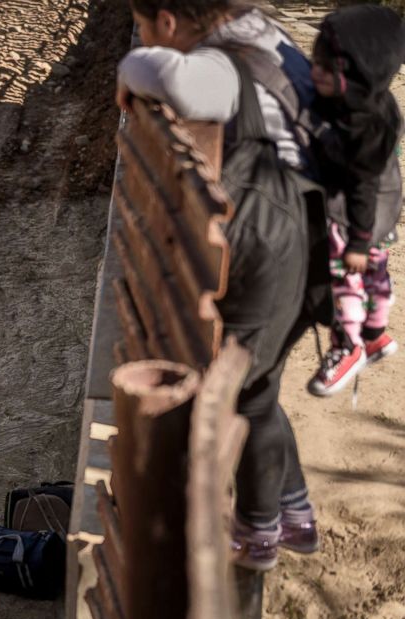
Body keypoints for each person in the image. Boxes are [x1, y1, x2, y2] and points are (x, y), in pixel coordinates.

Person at [117, 0, 329, 570]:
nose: (145, 39)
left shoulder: (218, 63)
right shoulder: (259, 30)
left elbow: (167, 77)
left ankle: (260, 534)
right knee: (261, 382)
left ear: (167, 19)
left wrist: (130, 67)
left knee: (247, 388)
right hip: (299, 227)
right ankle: (295, 512)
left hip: (274, 236)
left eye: (144, 28)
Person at [305, 5, 405, 397]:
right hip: (383, 209)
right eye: (315, 63)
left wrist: (358, 242)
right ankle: (377, 333)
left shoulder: (360, 129)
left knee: (346, 280)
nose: (316, 73)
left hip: (354, 218)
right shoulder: (376, 105)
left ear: (360, 77)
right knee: (377, 275)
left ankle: (348, 347)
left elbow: (360, 186)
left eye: (327, 71)